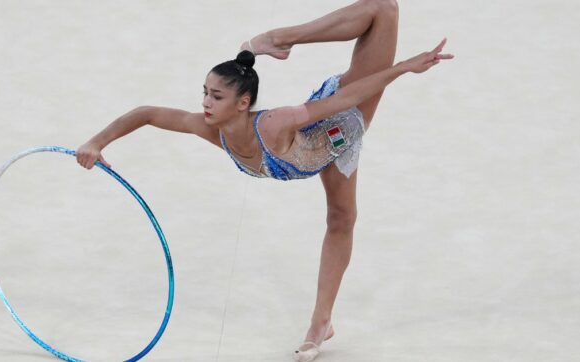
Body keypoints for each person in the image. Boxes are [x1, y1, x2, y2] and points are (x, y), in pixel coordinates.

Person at [76, 0, 453, 360]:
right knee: (341, 219)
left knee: (383, 8)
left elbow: (345, 99)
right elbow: (148, 113)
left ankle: (283, 37)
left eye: (217, 96)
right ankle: (325, 323)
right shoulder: (211, 129)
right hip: (313, 151)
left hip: (342, 123)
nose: (206, 103)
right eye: (205, 93)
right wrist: (97, 141)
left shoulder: (273, 124)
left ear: (243, 103)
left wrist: (403, 68)